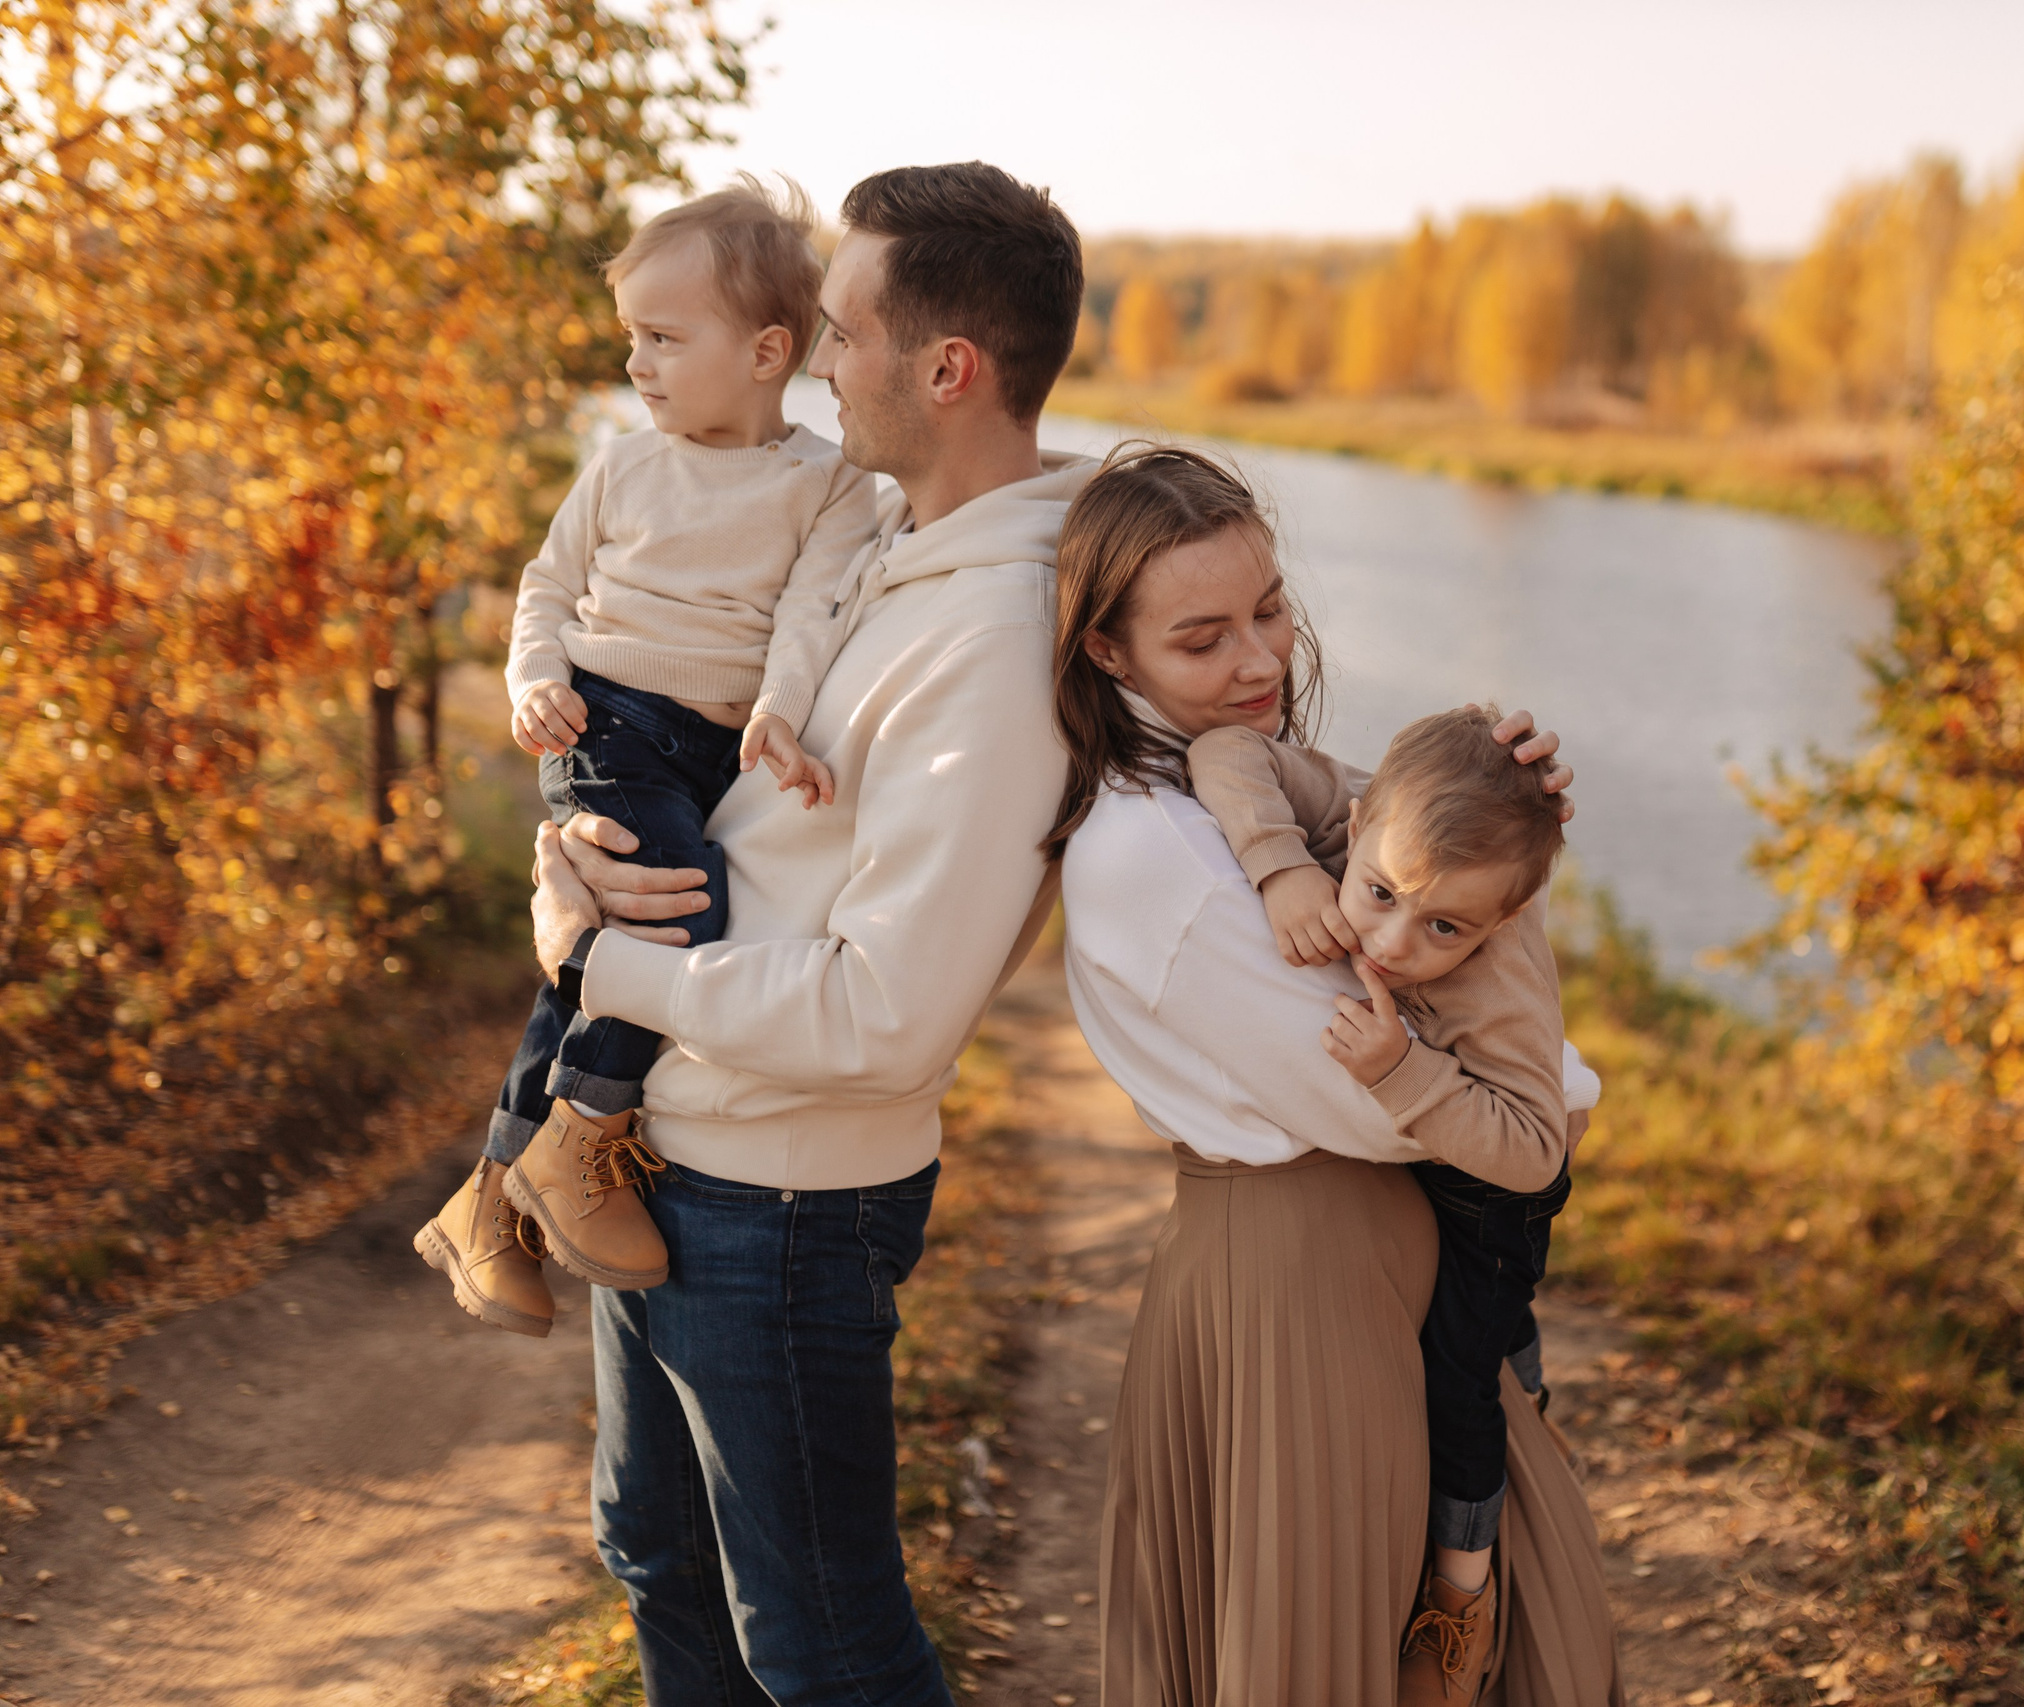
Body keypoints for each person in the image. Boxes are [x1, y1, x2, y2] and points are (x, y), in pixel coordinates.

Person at [514, 162, 1091, 1706]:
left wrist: (595, 961)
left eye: (840, 333)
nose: (817, 361)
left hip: (781, 1199)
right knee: (657, 1554)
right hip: (676, 1144)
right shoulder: (875, 541)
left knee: (824, 1648)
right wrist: (579, 842)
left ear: (945, 368)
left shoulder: (997, 637)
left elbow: (892, 1013)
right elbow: (700, 756)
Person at [1048, 445, 1620, 1706]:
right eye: (1202, 639)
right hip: (1303, 1295)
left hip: (1361, 1282)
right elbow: (1429, 1102)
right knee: (1327, 1649)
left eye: (1268, 609)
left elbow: (1414, 858)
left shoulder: (1230, 777)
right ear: (1107, 650)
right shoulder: (1150, 852)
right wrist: (1513, 973)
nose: (1257, 661)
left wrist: (1501, 815)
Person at [415, 177, 870, 1334]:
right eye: (632, 341)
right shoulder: (622, 466)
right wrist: (534, 681)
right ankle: (581, 1143)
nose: (638, 365)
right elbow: (548, 587)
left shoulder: (826, 483)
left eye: (664, 339)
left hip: (714, 749)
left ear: (769, 351)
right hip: (606, 722)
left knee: (596, 957)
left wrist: (779, 710)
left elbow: (813, 614)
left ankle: (486, 1205)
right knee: (675, 912)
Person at [1188, 704, 1581, 1700]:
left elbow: (1534, 1155)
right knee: (1480, 1337)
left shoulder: (1495, 994)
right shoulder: (1388, 818)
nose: (1394, 942)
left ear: (1499, 923)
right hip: (1443, 1146)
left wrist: (1403, 1069)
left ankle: (1462, 1585)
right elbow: (1227, 750)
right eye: (1379, 895)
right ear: (1357, 827)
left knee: (1459, 1368)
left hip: (1493, 1189)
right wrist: (1283, 868)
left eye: (1444, 927)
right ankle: (1522, 1372)